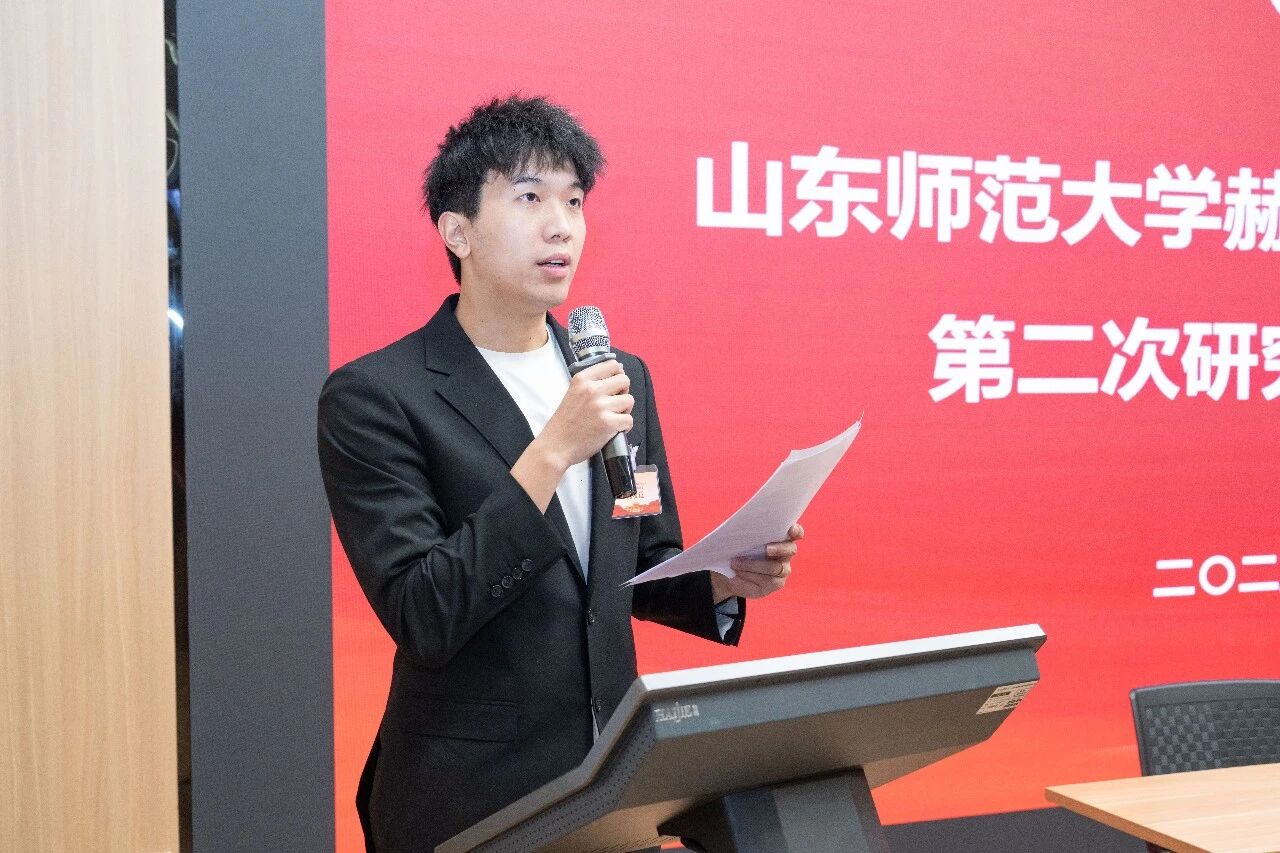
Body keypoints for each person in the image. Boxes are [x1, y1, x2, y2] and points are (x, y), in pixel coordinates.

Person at [317, 96, 803, 853]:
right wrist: (550, 453)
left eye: (574, 202)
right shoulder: (376, 396)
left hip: (613, 786)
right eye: (530, 198)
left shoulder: (615, 374)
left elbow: (636, 566)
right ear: (457, 231)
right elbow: (424, 612)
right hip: (470, 801)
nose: (562, 226)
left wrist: (722, 579)